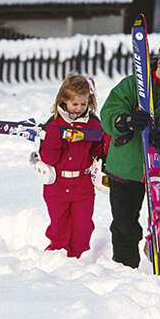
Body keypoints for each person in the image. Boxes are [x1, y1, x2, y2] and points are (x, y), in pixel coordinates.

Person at [100, 37, 160, 269]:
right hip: (127, 166)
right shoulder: (132, 85)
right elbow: (108, 114)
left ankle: (159, 241)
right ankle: (126, 270)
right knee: (125, 224)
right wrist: (126, 121)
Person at [36, 74, 105, 258]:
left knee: (83, 226)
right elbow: (48, 158)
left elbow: (100, 149)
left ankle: (79, 260)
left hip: (82, 185)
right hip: (57, 185)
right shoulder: (54, 125)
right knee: (59, 226)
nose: (79, 108)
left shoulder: (93, 124)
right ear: (63, 101)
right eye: (75, 104)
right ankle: (56, 258)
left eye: (83, 104)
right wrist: (56, 137)